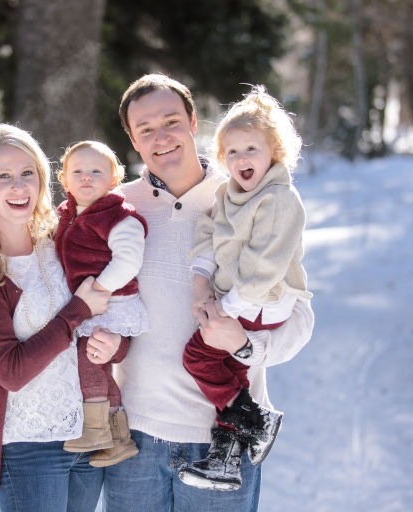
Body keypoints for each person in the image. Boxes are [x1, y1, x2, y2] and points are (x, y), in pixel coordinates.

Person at [100, 74, 314, 512]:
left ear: (194, 122)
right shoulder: (115, 210)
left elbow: (299, 314)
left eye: (171, 121)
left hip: (223, 440)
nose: (161, 137)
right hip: (134, 440)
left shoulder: (246, 194)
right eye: (146, 129)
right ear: (133, 140)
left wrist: (247, 345)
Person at [0, 124, 125, 512]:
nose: (19, 186)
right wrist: (77, 312)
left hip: (88, 433)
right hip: (27, 446)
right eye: (3, 176)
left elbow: (108, 312)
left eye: (27, 173)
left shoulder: (59, 242)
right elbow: (11, 371)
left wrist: (116, 345)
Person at [177, 85, 313, 491]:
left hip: (261, 300)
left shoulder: (279, 198)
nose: (241, 159)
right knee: (234, 375)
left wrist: (228, 308)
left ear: (275, 151)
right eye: (232, 151)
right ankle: (227, 458)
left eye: (251, 149)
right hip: (239, 300)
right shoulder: (228, 193)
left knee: (199, 356)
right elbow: (209, 234)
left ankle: (256, 419)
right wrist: (201, 276)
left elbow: (265, 263)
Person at [54, 141, 149, 467]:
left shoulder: (118, 217)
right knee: (99, 366)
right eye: (77, 171)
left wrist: (98, 290)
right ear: (64, 180)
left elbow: (129, 260)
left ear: (113, 180)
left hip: (111, 304)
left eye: (96, 171)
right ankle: (118, 439)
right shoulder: (65, 215)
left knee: (89, 358)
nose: (86, 177)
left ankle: (94, 429)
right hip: (89, 305)